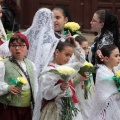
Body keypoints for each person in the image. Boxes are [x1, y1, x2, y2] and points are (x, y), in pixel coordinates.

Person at [33, 38, 89, 120]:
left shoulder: (67, 66)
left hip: (70, 106)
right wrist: (59, 87)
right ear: (57, 52)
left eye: (70, 55)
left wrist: (75, 45)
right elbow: (46, 93)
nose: (69, 58)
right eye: (66, 55)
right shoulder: (49, 70)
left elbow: (81, 61)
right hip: (56, 107)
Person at [0, 33, 38, 120]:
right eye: (13, 45)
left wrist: (36, 103)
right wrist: (7, 88)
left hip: (26, 108)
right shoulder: (3, 64)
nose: (17, 48)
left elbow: (35, 86)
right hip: (9, 108)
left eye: (21, 45)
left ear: (27, 48)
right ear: (9, 48)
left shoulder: (31, 65)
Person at [89, 44, 120, 120]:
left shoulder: (113, 70)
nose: (119, 58)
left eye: (119, 55)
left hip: (114, 106)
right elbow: (108, 93)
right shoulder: (102, 73)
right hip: (105, 111)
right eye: (116, 56)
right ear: (106, 59)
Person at [74, 34, 95, 120]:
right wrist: (78, 79)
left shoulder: (87, 63)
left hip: (87, 95)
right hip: (77, 94)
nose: (86, 51)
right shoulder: (72, 64)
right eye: (83, 48)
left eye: (87, 48)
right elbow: (68, 83)